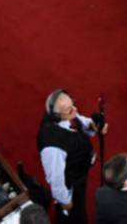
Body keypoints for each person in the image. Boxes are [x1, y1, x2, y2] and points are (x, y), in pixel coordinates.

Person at [37, 89, 107, 223]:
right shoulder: (52, 147)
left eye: (73, 104)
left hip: (79, 170)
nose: (75, 110)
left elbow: (80, 122)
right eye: (69, 109)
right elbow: (55, 178)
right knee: (75, 217)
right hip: (72, 184)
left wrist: (94, 125)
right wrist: (65, 200)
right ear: (56, 115)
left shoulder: (66, 114)